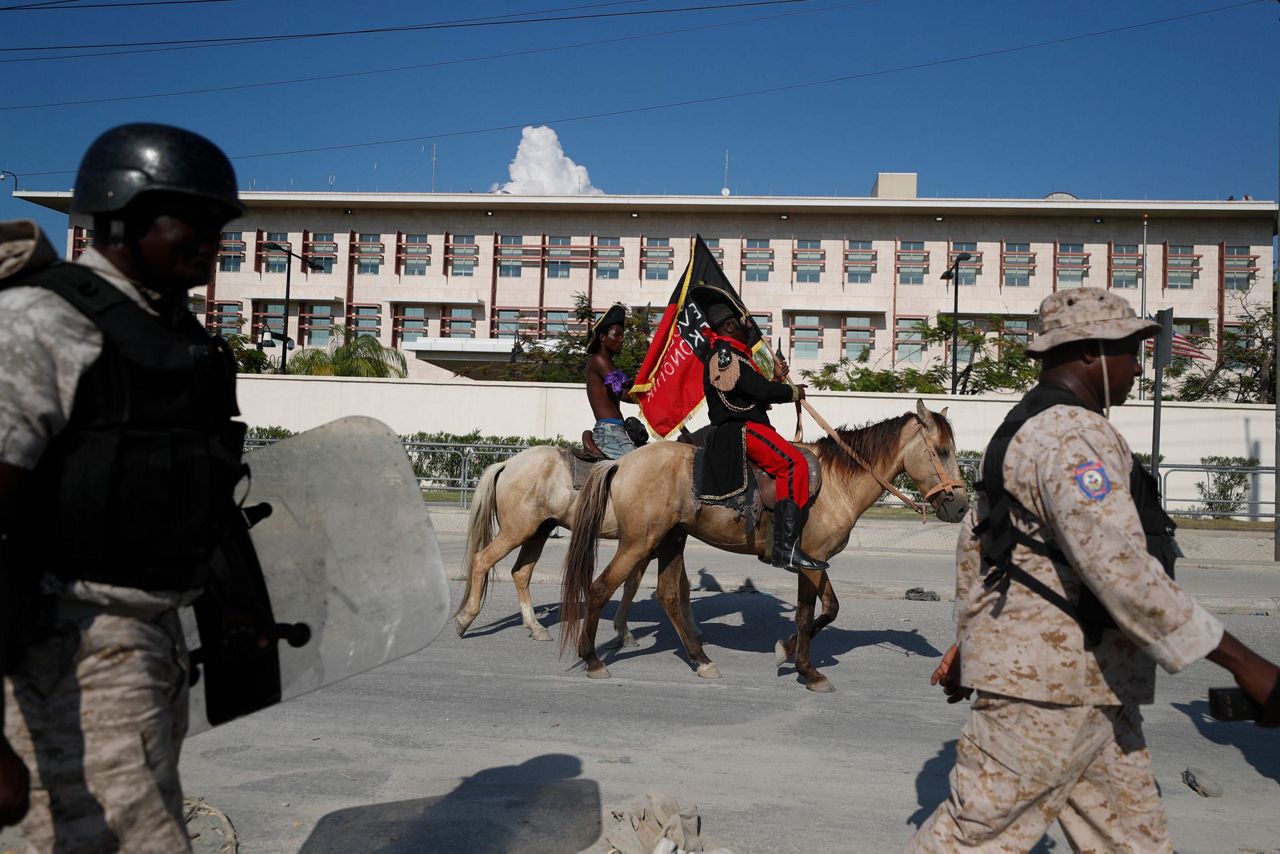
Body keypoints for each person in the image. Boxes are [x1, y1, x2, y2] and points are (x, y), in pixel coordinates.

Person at [908, 289, 1280, 853]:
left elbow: (978, 546)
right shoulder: (1072, 435)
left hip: (1086, 684)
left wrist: (975, 644)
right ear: (1088, 352)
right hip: (1050, 692)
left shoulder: (1025, 427)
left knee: (1131, 841)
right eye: (1130, 350)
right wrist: (1245, 662)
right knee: (972, 839)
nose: (1138, 366)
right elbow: (1123, 571)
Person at [0, 123, 249, 851]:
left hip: (152, 645)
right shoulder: (40, 324)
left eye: (220, 225)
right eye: (192, 221)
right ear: (121, 215)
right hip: (68, 655)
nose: (213, 239)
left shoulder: (172, 337)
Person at [703, 301, 827, 571]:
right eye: (741, 322)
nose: (749, 327)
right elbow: (756, 391)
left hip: (748, 423)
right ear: (727, 326)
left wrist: (775, 380)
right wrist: (792, 393)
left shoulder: (736, 356)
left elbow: (749, 393)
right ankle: (786, 548)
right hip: (741, 429)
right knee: (794, 463)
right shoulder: (725, 356)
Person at [585, 303, 641, 459]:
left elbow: (628, 387)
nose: (622, 339)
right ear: (603, 337)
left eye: (622, 335)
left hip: (616, 430)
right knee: (637, 466)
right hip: (609, 432)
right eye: (617, 335)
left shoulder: (610, 364)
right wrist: (651, 397)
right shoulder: (599, 361)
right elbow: (622, 394)